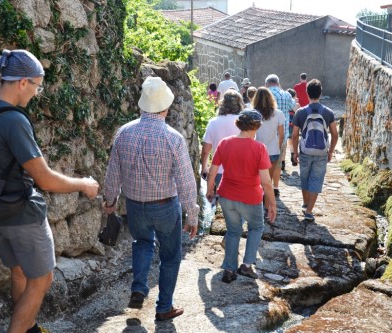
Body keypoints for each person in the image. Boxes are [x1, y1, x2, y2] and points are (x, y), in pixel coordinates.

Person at [0, 49, 99, 333]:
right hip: (22, 213)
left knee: (20, 270)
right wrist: (84, 184)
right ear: (22, 82)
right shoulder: (13, 120)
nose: (37, 93)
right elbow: (45, 179)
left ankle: (29, 327)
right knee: (42, 279)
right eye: (36, 86)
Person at [104, 76, 199, 321]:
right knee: (170, 256)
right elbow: (186, 181)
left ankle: (138, 288)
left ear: (142, 105)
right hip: (166, 207)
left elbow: (113, 171)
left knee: (142, 243)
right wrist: (192, 213)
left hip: (135, 205)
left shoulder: (123, 133)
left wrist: (110, 201)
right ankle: (164, 306)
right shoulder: (173, 138)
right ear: (166, 107)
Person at [206, 110, 276, 283]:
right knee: (256, 228)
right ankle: (246, 265)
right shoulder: (259, 148)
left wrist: (209, 190)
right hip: (250, 197)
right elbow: (266, 182)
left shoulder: (224, 143)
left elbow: (213, 170)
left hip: (226, 195)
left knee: (233, 230)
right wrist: (272, 203)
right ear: (257, 126)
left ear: (239, 124)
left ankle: (229, 269)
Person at [292, 79, 338, 221]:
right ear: (320, 93)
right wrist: (330, 151)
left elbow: (294, 135)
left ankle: (306, 203)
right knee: (316, 180)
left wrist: (295, 152)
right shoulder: (328, 112)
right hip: (321, 152)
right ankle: (309, 211)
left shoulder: (300, 112)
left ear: (307, 93)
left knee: (304, 178)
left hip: (305, 151)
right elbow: (335, 134)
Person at [201, 90, 245, 190]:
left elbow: (205, 151)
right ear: (239, 104)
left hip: (218, 170)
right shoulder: (244, 122)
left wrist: (204, 168)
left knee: (220, 200)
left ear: (222, 103)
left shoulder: (213, 123)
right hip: (240, 170)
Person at [252, 87, 285, 197]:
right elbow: (282, 134)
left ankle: (257, 205)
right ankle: (266, 208)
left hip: (255, 151)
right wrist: (278, 147)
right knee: (268, 182)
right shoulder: (278, 113)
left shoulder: (252, 114)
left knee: (256, 182)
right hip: (273, 151)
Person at [265, 74, 295, 181]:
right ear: (278, 83)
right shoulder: (286, 94)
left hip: (266, 134)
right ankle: (275, 187)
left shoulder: (265, 94)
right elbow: (293, 107)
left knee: (264, 162)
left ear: (266, 84)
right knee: (276, 163)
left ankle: (265, 184)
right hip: (282, 134)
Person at [286, 88, 301, 166]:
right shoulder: (295, 104)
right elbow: (299, 114)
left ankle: (282, 162)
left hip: (285, 124)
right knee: (293, 139)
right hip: (293, 124)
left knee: (286, 141)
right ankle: (293, 154)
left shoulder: (285, 103)